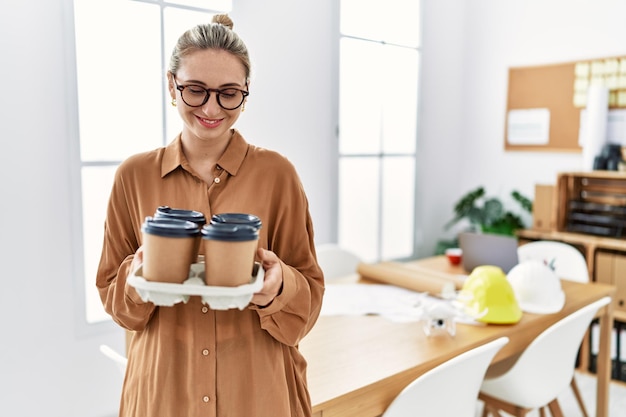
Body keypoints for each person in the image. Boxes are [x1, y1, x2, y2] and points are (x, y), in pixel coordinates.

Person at [96, 14, 325, 417]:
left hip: (258, 393)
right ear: (171, 85)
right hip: (163, 394)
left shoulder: (278, 175)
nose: (212, 108)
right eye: (196, 91)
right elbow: (116, 304)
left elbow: (309, 299)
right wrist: (139, 274)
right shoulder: (133, 177)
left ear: (246, 92)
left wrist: (280, 286)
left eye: (229, 93)